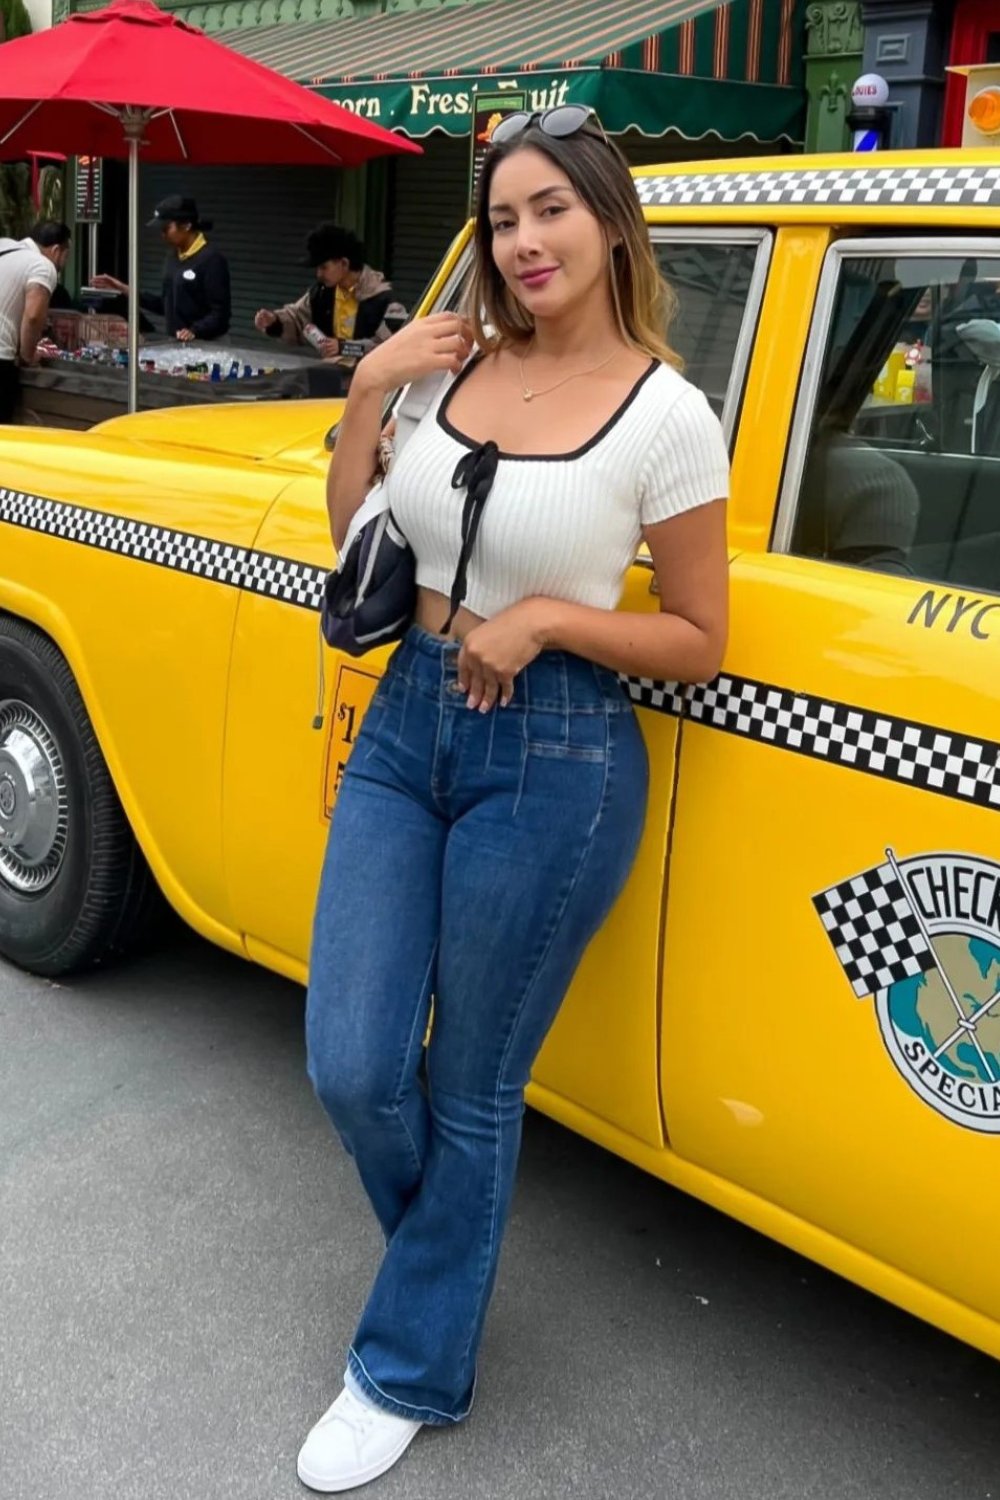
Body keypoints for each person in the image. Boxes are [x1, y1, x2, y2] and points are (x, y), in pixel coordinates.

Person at [300, 106, 729, 1494]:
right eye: (502, 218)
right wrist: (372, 386)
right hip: (404, 720)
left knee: (470, 1082)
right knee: (353, 1061)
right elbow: (358, 537)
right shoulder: (450, 364)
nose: (525, 240)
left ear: (610, 224)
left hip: (553, 758)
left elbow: (699, 637)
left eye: (551, 210)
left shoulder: (668, 414)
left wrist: (545, 618)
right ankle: (446, 1267)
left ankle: (409, 1363)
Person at [253, 223, 405, 363]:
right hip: (332, 377)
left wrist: (344, 347)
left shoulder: (385, 300)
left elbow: (391, 346)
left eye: (324, 267)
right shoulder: (321, 293)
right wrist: (274, 321)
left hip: (369, 382)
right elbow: (298, 318)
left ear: (344, 264)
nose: (318, 274)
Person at [93, 194, 230, 341]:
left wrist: (194, 331)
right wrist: (123, 288)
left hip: (208, 346)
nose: (162, 235)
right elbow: (165, 305)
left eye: (166, 228)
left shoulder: (211, 260)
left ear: (186, 225)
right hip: (178, 345)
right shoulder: (172, 257)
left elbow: (220, 315)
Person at [0, 219, 71, 422]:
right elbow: (32, 316)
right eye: (66, 256)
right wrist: (28, 355)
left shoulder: (4, 246)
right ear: (57, 250)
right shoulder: (42, 266)